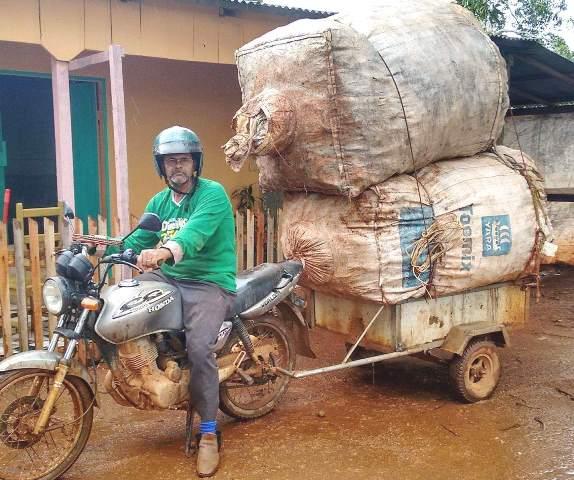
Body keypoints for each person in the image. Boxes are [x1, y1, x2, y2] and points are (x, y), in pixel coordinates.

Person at [120, 125, 236, 477]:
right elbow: (139, 238)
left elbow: (193, 235)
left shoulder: (211, 194)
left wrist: (165, 251)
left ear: (195, 162)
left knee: (200, 348)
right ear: (161, 166)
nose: (176, 167)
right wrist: (107, 248)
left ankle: (209, 433)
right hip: (169, 278)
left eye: (183, 160)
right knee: (124, 302)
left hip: (209, 282)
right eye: (169, 161)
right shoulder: (158, 202)